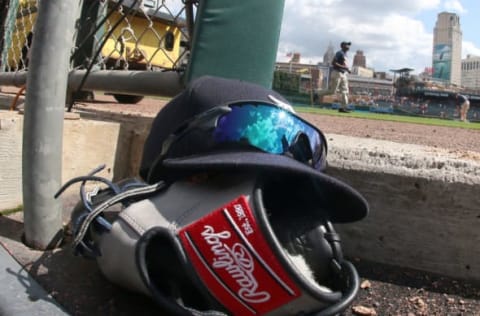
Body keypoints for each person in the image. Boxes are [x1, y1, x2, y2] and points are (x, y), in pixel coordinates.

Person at [318, 41, 352, 113]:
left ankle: (344, 107)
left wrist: (347, 69)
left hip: (343, 74)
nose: (348, 47)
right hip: (337, 73)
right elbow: (333, 63)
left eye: (349, 45)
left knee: (345, 91)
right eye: (347, 45)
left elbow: (344, 65)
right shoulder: (339, 53)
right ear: (342, 46)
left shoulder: (346, 55)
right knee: (332, 91)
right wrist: (344, 67)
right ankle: (317, 93)